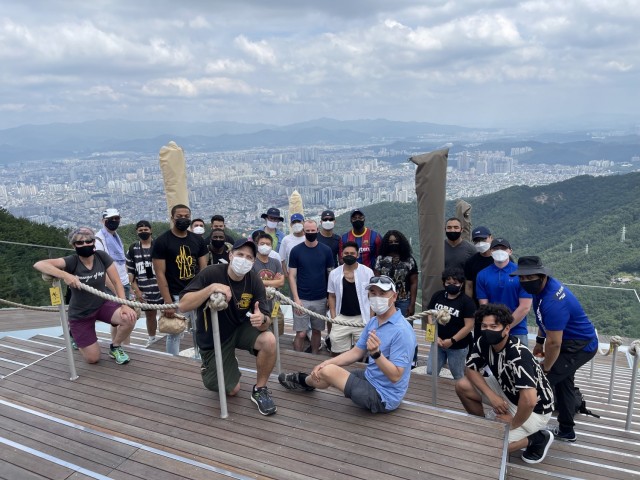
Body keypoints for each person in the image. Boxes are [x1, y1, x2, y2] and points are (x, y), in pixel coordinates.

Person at [278, 275, 417, 413]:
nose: (377, 297)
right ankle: (303, 382)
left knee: (329, 371)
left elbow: (396, 376)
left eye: (382, 293)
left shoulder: (402, 331)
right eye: (373, 293)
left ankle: (303, 381)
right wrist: (326, 362)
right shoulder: (374, 322)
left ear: (394, 296)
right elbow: (356, 352)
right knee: (325, 370)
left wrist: (376, 354)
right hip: (370, 377)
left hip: (384, 396)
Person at [179, 238, 277, 416]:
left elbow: (266, 321)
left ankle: (260, 389)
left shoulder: (254, 281)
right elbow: (184, 305)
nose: (244, 260)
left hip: (240, 328)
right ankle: (214, 365)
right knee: (232, 390)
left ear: (253, 262)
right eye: (240, 254)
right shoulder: (211, 273)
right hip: (213, 336)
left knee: (269, 340)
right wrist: (211, 289)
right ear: (230, 255)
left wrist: (261, 320)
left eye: (249, 257)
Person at [512, 256, 598, 443]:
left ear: (542, 276)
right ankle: (567, 430)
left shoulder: (553, 301)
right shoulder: (542, 291)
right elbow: (544, 321)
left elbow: (555, 344)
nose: (525, 282)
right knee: (564, 383)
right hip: (569, 342)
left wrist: (547, 368)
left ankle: (529, 432)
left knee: (540, 383)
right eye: (522, 278)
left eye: (530, 277)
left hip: (579, 346)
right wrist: (539, 341)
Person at [456, 304, 555, 464]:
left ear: (506, 329)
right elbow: (470, 369)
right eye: (484, 326)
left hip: (536, 408)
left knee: (492, 448)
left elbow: (529, 400)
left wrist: (513, 422)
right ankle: (485, 427)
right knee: (462, 385)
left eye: (494, 326)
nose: (488, 330)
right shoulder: (483, 342)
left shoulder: (518, 355)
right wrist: (491, 396)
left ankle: (537, 438)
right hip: (507, 389)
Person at [33, 227, 137, 365]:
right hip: (80, 313)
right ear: (73, 245)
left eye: (88, 241)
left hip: (101, 305)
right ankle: (74, 334)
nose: (85, 245)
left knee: (129, 317)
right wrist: (65, 275)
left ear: (94, 242)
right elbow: (39, 264)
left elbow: (117, 281)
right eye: (79, 243)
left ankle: (115, 346)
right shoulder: (72, 261)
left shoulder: (101, 256)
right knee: (93, 359)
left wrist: (124, 305)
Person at [152, 204, 208, 355]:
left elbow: (204, 269)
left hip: (195, 292)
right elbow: (160, 273)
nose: (183, 219)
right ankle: (173, 361)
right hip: (175, 294)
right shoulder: (162, 241)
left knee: (200, 329)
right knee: (174, 332)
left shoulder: (198, 240)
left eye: (186, 216)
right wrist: (168, 302)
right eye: (179, 217)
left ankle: (201, 357)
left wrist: (203, 292)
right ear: (172, 218)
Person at [288, 219, 334, 354]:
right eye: (307, 231)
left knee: (316, 331)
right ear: (304, 231)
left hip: (320, 298)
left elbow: (330, 274)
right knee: (301, 333)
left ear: (317, 231)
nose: (310, 233)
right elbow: (292, 276)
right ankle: (297, 358)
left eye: (312, 231)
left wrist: (328, 298)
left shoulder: (326, 250)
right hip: (302, 298)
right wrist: (296, 299)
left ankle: (314, 356)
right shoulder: (296, 251)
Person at [476, 238, 532, 346]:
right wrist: (496, 327)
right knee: (493, 362)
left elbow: (525, 307)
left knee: (520, 362)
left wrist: (506, 327)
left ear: (510, 251)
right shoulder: (482, 275)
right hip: (492, 330)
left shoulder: (522, 273)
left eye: (503, 248)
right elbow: (484, 306)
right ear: (491, 251)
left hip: (518, 330)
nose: (499, 251)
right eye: (496, 248)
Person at [426, 267, 475, 380]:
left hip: (457, 346)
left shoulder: (467, 302)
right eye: (448, 282)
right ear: (444, 283)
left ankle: (461, 394)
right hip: (437, 342)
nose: (452, 285)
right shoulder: (437, 296)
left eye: (455, 283)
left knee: (458, 375)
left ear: (461, 284)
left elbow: (469, 326)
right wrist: (434, 336)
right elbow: (430, 315)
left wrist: (452, 340)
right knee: (430, 371)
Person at [327, 241, 374, 355]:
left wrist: (371, 320)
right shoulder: (334, 273)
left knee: (362, 352)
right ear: (342, 255)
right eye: (346, 253)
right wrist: (334, 318)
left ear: (358, 255)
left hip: (362, 317)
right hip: (341, 316)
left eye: (352, 253)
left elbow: (372, 296)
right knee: (336, 347)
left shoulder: (368, 272)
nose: (349, 255)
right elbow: (332, 296)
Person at [126, 220, 162, 347]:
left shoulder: (159, 245)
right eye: (141, 230)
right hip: (144, 289)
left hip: (161, 288)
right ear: (137, 232)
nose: (143, 232)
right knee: (150, 315)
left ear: (151, 230)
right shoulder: (133, 249)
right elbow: (130, 273)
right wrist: (137, 291)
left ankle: (170, 334)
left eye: (146, 230)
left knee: (167, 312)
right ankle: (152, 337)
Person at [374, 230, 418, 318]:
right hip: (385, 299)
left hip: (404, 300)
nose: (393, 244)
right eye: (390, 242)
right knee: (384, 326)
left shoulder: (409, 260)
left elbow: (414, 283)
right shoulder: (380, 259)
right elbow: (376, 282)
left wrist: (412, 304)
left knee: (404, 328)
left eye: (396, 242)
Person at [463, 225, 495, 340]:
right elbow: (469, 285)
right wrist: (469, 307)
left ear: (491, 238)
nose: (480, 243)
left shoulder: (501, 259)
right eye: (477, 240)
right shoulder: (471, 262)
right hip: (479, 310)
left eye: (483, 239)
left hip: (499, 307)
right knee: (480, 339)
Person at [252, 232, 285, 335]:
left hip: (275, 304)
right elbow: (253, 282)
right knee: (262, 334)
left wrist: (261, 281)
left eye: (268, 244)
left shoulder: (275, 262)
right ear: (257, 245)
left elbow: (281, 282)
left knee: (277, 331)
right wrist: (273, 282)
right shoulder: (252, 262)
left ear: (271, 246)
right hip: (259, 305)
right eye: (262, 243)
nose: (265, 246)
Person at [95, 208, 131, 299]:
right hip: (110, 286)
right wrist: (117, 292)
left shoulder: (116, 237)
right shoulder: (98, 240)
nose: (114, 221)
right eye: (111, 219)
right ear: (103, 221)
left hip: (124, 282)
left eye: (117, 218)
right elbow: (100, 268)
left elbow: (123, 261)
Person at [278, 213, 306, 277]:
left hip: (307, 273)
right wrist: (286, 274)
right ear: (291, 225)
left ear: (304, 222)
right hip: (292, 275)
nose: (296, 224)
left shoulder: (309, 238)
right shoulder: (286, 239)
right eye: (294, 222)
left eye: (299, 221)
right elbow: (281, 259)